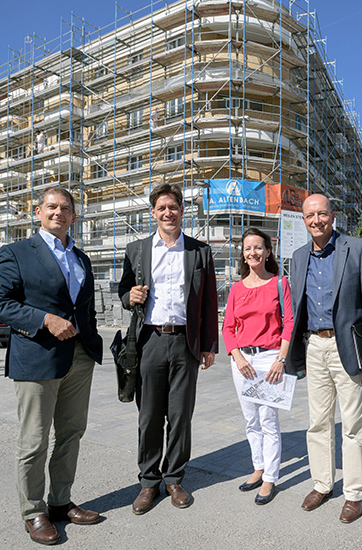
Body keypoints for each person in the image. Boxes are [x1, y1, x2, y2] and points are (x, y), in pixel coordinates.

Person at [0, 186, 104, 545]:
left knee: (71, 434)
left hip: (79, 358)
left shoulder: (81, 258)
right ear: (37, 212)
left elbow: (84, 309)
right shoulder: (17, 253)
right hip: (37, 358)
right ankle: (33, 511)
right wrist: (44, 320)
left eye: (65, 208)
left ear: (74, 216)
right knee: (34, 440)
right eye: (51, 206)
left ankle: (60, 502)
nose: (58, 212)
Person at [285, 193, 362, 524]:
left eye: (322, 214)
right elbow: (294, 307)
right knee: (318, 421)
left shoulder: (356, 248)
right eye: (310, 216)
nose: (317, 220)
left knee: (354, 423)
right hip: (314, 346)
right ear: (304, 220)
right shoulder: (298, 257)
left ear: (333, 215)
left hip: (350, 347)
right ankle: (322, 484)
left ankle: (355, 493)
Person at [118, 182, 218, 515]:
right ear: (152, 213)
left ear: (181, 211)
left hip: (186, 343)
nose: (167, 213)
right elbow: (123, 291)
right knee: (148, 417)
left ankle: (174, 478)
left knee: (180, 417)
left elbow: (208, 302)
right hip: (150, 342)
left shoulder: (199, 252)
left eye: (173, 207)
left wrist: (208, 345)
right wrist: (128, 296)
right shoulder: (137, 250)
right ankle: (148, 482)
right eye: (161, 208)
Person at [222, 228, 294, 505]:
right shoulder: (237, 288)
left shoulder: (279, 283)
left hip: (270, 359)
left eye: (258, 247)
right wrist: (237, 357)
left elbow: (289, 323)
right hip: (242, 360)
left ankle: (270, 478)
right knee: (250, 420)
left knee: (268, 421)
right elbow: (228, 327)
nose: (253, 252)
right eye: (248, 248)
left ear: (267, 252)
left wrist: (281, 359)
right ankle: (258, 467)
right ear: (243, 253)